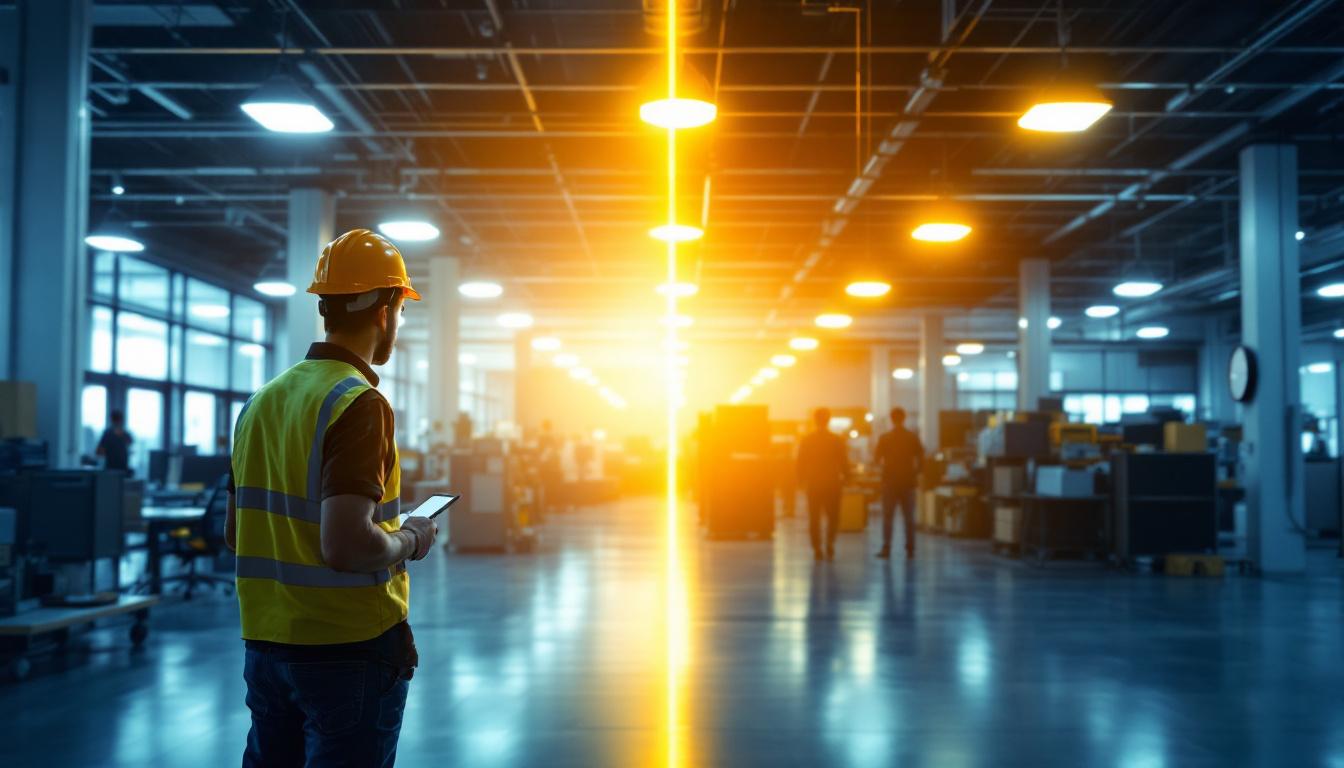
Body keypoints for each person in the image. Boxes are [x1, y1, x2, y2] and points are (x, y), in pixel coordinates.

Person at [224, 229, 438, 768]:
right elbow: (345, 546)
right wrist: (411, 538)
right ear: (385, 308)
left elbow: (235, 532)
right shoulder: (358, 403)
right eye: (400, 308)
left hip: (267, 648)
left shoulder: (262, 401)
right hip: (347, 650)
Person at [796, 407, 849, 562]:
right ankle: (830, 542)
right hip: (833, 483)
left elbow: (800, 462)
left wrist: (800, 481)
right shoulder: (836, 439)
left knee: (814, 517)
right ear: (828, 420)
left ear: (814, 420)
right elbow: (844, 461)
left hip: (814, 483)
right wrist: (848, 478)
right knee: (833, 516)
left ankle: (817, 547)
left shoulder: (807, 440)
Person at [873, 407, 924, 560]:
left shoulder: (885, 438)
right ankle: (910, 550)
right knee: (909, 518)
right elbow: (921, 458)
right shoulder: (912, 437)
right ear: (904, 418)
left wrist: (884, 469)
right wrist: (915, 473)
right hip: (908, 483)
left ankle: (886, 548)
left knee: (888, 517)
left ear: (891, 419)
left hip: (889, 482)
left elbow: (876, 459)